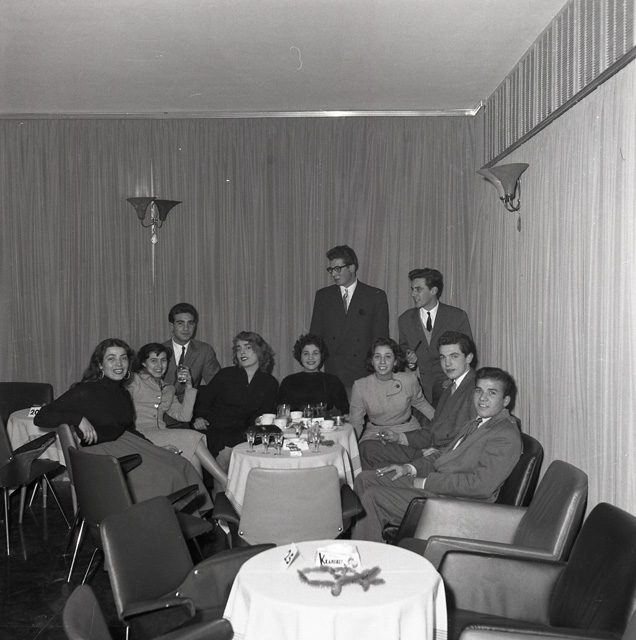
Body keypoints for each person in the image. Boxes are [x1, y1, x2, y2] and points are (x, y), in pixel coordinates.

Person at [34, 338, 213, 513]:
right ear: (100, 365)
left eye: (123, 358)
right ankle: (157, 521)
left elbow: (129, 429)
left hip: (125, 444)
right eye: (111, 358)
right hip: (101, 454)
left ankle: (189, 521)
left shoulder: (123, 392)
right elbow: (41, 417)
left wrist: (155, 448)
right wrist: (78, 419)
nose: (119, 364)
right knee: (167, 473)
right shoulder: (86, 390)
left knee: (180, 464)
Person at [352, 367, 522, 542]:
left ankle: (366, 555)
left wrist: (426, 482)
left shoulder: (505, 435)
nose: (482, 398)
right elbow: (443, 455)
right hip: (440, 488)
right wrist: (409, 468)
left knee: (372, 498)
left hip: (455, 505)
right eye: (479, 391)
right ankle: (367, 539)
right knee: (364, 479)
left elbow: (480, 486)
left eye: (492, 393)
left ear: (506, 400)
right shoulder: (478, 422)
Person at [359, 331, 478, 469]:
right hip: (430, 447)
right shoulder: (450, 387)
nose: (447, 363)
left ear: (468, 358)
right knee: (367, 448)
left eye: (454, 356)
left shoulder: (476, 389)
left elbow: (469, 440)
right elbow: (433, 429)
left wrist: (436, 452)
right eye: (443, 358)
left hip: (444, 457)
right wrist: (399, 437)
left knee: (371, 471)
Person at [128, 342, 228, 489]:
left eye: (163, 360)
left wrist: (189, 386)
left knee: (193, 457)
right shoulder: (134, 381)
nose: (159, 365)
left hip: (160, 434)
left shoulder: (168, 389)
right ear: (143, 363)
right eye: (153, 360)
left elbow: (184, 416)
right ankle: (226, 482)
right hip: (139, 436)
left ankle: (198, 500)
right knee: (193, 437)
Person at [192, 331, 279, 470]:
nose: (242, 352)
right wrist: (199, 417)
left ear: (260, 351)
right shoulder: (225, 374)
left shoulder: (270, 382)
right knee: (225, 450)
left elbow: (263, 415)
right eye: (238, 349)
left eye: (248, 347)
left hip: (245, 431)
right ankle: (222, 484)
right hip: (215, 428)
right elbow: (204, 399)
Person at [309, 245, 389, 393]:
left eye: (337, 269)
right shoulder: (323, 296)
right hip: (333, 373)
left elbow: (380, 339)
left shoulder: (375, 296)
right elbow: (315, 337)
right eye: (331, 270)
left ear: (352, 267)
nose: (334, 274)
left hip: (364, 374)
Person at [398, 268, 472, 406]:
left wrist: (454, 381)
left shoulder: (457, 316)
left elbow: (467, 354)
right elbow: (403, 349)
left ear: (433, 290)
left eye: (418, 289)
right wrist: (409, 361)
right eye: (412, 289)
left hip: (450, 389)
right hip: (420, 392)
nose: (413, 294)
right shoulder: (405, 319)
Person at [349, 338, 435, 442]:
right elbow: (356, 422)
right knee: (367, 449)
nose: (382, 362)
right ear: (371, 361)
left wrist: (441, 423)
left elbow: (422, 404)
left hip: (407, 431)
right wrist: (350, 445)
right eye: (377, 357)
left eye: (388, 356)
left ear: (395, 361)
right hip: (375, 434)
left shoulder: (409, 380)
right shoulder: (360, 386)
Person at [277, 333, 349, 415]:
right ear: (300, 356)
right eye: (306, 353)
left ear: (321, 356)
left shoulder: (333, 381)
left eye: (315, 353)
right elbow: (280, 413)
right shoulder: (288, 381)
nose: (310, 357)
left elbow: (344, 413)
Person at [163, 302, 221, 400]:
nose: (186, 328)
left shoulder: (204, 351)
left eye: (190, 323)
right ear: (172, 326)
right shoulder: (159, 350)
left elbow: (216, 385)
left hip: (189, 406)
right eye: (180, 323)